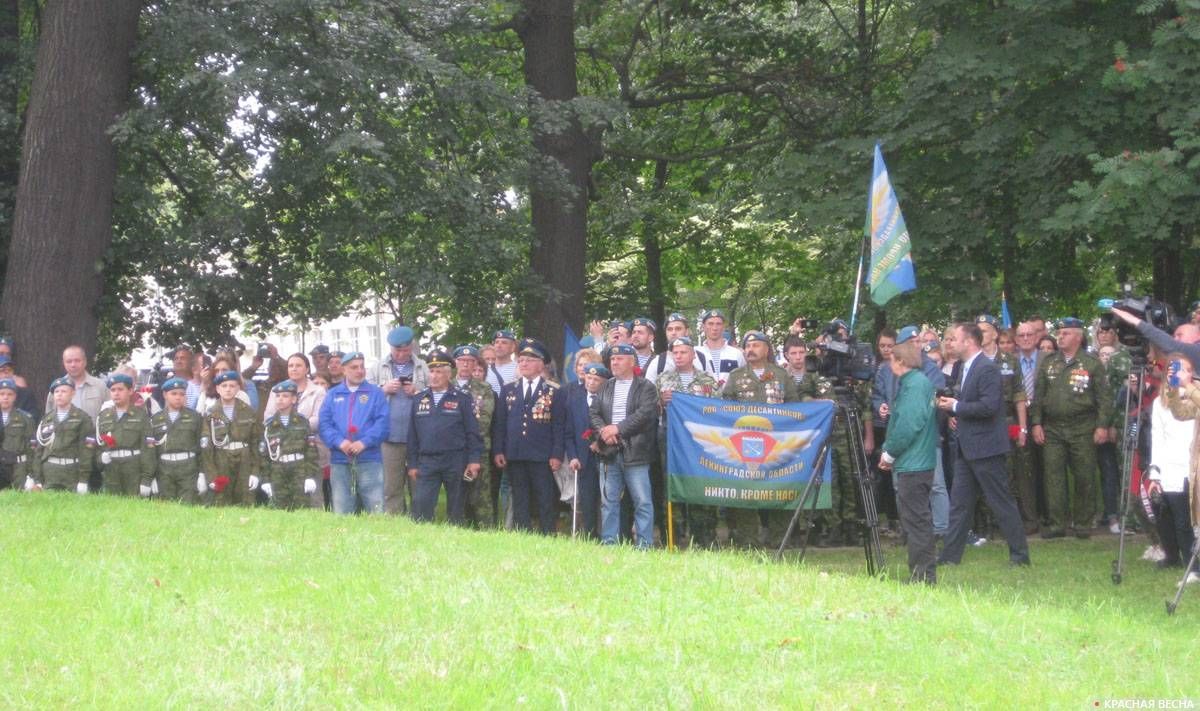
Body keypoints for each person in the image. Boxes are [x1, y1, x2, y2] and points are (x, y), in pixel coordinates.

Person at [936, 322, 1031, 567]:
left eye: (955, 338)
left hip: (986, 447)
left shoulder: (986, 368)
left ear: (969, 341)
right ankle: (949, 557)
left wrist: (956, 407)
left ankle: (1020, 556)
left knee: (1000, 502)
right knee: (959, 504)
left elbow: (989, 407)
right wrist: (954, 409)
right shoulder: (964, 367)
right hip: (967, 447)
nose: (951, 343)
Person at [1030, 317, 1111, 538]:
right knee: (1053, 476)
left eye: (1065, 333)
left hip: (1083, 427)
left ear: (1078, 336)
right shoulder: (1049, 362)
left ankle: (1083, 523)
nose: (1060, 336)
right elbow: (1038, 397)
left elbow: (1104, 398)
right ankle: (1058, 524)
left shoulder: (1092, 363)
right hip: (1053, 428)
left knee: (1084, 475)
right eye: (1060, 333)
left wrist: (1102, 426)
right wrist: (1036, 423)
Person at [722, 331, 800, 546]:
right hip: (745, 443)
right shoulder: (736, 376)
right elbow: (725, 407)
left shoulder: (781, 375)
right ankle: (748, 539)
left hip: (777, 442)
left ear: (767, 349)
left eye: (756, 345)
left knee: (778, 489)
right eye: (747, 346)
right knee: (746, 491)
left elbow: (794, 405)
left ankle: (779, 538)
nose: (750, 350)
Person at [877, 326, 939, 584]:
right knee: (917, 520)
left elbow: (908, 425)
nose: (889, 362)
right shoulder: (916, 383)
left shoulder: (914, 386)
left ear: (900, 361)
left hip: (914, 463)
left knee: (916, 522)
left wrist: (889, 453)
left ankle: (922, 576)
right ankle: (921, 573)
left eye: (892, 358)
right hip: (917, 462)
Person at [492, 339, 564, 534]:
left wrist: (557, 454)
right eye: (521, 360)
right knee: (520, 497)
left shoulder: (553, 390)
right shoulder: (508, 389)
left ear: (541, 364)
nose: (524, 364)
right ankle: (522, 534)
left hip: (542, 454)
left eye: (529, 360)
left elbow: (558, 425)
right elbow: (500, 423)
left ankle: (547, 533)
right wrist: (499, 449)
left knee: (544, 497)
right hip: (515, 453)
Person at [590, 343, 659, 547]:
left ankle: (644, 544)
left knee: (642, 501)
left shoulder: (646, 386)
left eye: (619, 359)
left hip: (636, 452)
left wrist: (617, 429)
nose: (614, 362)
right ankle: (609, 542)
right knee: (608, 501)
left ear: (631, 362)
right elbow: (594, 413)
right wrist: (604, 431)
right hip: (609, 452)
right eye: (612, 359)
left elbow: (644, 415)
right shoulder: (606, 386)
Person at [407, 350, 482, 524]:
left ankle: (456, 539)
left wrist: (473, 460)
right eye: (431, 371)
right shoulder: (419, 399)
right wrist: (412, 463)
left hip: (455, 459)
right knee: (421, 505)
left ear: (449, 374)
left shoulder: (462, 399)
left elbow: (472, 432)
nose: (434, 376)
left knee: (456, 508)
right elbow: (413, 435)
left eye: (439, 372)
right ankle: (421, 538)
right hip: (427, 460)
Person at [656, 337, 720, 545]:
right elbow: (650, 409)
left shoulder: (707, 380)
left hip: (699, 441)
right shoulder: (663, 379)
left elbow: (717, 409)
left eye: (683, 352)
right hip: (671, 439)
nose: (679, 356)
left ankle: (704, 537)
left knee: (699, 483)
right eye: (675, 353)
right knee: (670, 485)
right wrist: (660, 402)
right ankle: (672, 537)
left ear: (693, 354)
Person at [319, 352, 389, 515]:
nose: (360, 371)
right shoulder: (333, 394)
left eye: (362, 367)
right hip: (340, 459)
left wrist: (363, 442)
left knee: (375, 508)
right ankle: (344, 538)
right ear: (344, 370)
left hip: (369, 458)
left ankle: (379, 539)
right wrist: (339, 442)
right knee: (342, 508)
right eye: (354, 367)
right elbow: (325, 424)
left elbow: (382, 424)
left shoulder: (375, 394)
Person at [372, 326, 430, 515]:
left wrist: (417, 391)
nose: (401, 354)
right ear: (390, 348)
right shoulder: (378, 367)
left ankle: (420, 520)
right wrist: (383, 389)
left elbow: (435, 395)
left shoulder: (422, 366)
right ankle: (394, 521)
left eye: (406, 350)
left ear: (412, 347)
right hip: (389, 436)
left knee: (418, 484)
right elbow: (366, 400)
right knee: (391, 486)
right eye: (397, 350)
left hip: (418, 437)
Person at [1150, 355, 1198, 582]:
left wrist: (1188, 387)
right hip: (1172, 465)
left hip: (1194, 465)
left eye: (1185, 369)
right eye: (1175, 370)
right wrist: (1155, 470)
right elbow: (1160, 434)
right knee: (1180, 520)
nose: (1180, 374)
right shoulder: (1161, 402)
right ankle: (1190, 564)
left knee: (1194, 519)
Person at [200, 370, 263, 507]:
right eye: (224, 386)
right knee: (220, 503)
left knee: (245, 502)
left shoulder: (248, 411)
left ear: (238, 388)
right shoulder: (210, 414)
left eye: (232, 386)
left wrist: (255, 472)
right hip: (221, 461)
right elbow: (206, 448)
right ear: (217, 389)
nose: (228, 389)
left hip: (244, 461)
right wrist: (211, 476)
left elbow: (255, 444)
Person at [564, 356, 608, 538]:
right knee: (587, 499)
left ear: (603, 382)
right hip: (583, 458)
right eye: (588, 378)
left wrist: (601, 443)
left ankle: (611, 535)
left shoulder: (609, 398)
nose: (590, 382)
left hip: (606, 455)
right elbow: (568, 432)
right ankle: (590, 535)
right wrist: (573, 456)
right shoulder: (574, 399)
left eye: (595, 379)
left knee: (607, 498)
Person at [454, 345, 497, 528]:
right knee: (456, 493)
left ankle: (486, 530)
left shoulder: (484, 388)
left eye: (470, 361)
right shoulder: (446, 386)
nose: (466, 365)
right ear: (456, 362)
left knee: (481, 496)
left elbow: (484, 419)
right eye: (462, 361)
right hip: (452, 449)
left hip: (477, 447)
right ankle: (457, 526)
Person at [260, 380, 320, 511]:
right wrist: (265, 480)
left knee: (301, 510)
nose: (280, 399)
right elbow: (264, 455)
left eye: (285, 396)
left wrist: (310, 476)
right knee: (278, 510)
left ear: (294, 399)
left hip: (299, 469)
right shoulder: (269, 425)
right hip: (277, 470)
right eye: (278, 396)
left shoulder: (302, 422)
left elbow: (311, 451)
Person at [94, 373, 155, 497]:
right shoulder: (103, 416)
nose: (116, 393)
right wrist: (101, 459)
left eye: (120, 389)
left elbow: (148, 449)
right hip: (111, 469)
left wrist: (147, 479)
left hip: (133, 468)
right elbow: (98, 445)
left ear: (130, 391)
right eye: (113, 390)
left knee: (136, 508)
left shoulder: (141, 415)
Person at [31, 376, 95, 493]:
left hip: (72, 471)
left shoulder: (82, 418)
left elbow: (86, 451)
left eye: (64, 391)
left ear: (72, 393)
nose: (59, 395)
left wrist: (83, 480)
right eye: (56, 392)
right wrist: (37, 478)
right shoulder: (46, 419)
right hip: (50, 471)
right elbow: (39, 451)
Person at [150, 377, 204, 504]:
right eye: (173, 394)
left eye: (182, 394)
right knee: (165, 507)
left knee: (188, 506)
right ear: (165, 395)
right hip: (164, 469)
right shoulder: (155, 419)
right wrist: (151, 476)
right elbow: (151, 451)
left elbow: (201, 448)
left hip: (188, 468)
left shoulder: (195, 417)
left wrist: (202, 474)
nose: (178, 397)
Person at [1012, 321, 1045, 530]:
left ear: (1036, 337)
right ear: (1016, 339)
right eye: (1021, 335)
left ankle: (1050, 514)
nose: (1025, 338)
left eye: (1029, 335)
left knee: (1048, 469)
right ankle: (1030, 517)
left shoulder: (1049, 359)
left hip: (1045, 419)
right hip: (1018, 419)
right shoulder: (1009, 361)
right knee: (1024, 470)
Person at [1110, 306, 1200, 371]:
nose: (1175, 339)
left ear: (1198, 336)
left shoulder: (1196, 351)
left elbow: (1172, 346)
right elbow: (1159, 365)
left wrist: (1135, 321)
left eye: (1180, 335)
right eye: (1174, 336)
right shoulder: (1178, 364)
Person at [643, 312, 707, 384]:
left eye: (678, 329)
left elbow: (713, 388)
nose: (673, 332)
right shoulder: (658, 362)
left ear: (687, 331)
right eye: (670, 329)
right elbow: (648, 392)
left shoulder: (701, 358)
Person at [0, 378, 35, 490]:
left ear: (15, 397)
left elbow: (31, 447)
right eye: (2, 394)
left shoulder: (25, 418)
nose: (5, 397)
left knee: (19, 498)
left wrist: (31, 474)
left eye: (9, 394)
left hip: (18, 467)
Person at [698, 309, 745, 389]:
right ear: (703, 327)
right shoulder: (696, 353)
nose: (714, 328)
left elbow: (743, 380)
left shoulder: (736, 354)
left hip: (730, 400)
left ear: (723, 327)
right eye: (710, 324)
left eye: (718, 324)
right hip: (704, 400)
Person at [0, 355, 39, 420]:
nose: (6, 373)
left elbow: (33, 417)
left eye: (9, 370)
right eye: (2, 370)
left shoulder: (25, 394)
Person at [486, 330, 519, 395]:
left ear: (512, 347)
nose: (499, 345)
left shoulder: (519, 368)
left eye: (504, 343)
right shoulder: (485, 369)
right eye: (496, 342)